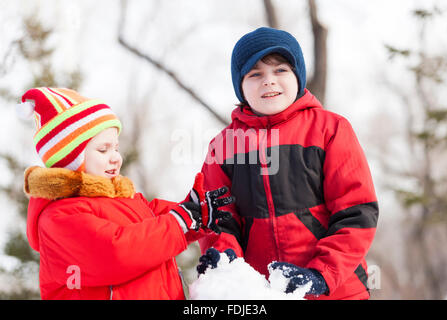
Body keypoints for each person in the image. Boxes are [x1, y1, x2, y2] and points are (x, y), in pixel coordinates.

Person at [196, 27, 379, 300]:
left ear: (297, 76)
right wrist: (224, 264)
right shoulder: (224, 147)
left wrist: (321, 274)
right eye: (255, 74)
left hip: (337, 290)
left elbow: (356, 211)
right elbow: (218, 220)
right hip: (263, 292)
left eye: (280, 70)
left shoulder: (330, 130)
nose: (268, 81)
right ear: (240, 86)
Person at [18, 87, 233, 299]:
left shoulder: (125, 202)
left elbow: (153, 221)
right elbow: (116, 253)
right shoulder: (59, 217)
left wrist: (195, 213)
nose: (116, 158)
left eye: (116, 149)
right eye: (103, 150)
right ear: (70, 160)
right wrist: (179, 221)